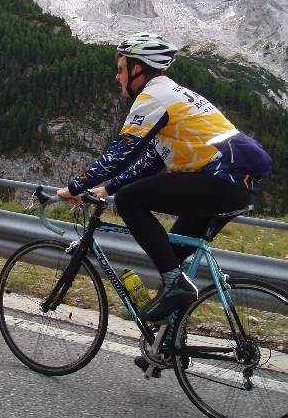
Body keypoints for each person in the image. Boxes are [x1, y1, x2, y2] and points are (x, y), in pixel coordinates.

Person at [57, 32, 272, 324]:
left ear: (137, 69)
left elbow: (122, 152)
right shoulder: (173, 96)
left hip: (222, 178)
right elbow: (151, 162)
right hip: (236, 183)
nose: (116, 76)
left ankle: (175, 286)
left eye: (121, 69)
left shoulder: (153, 96)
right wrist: (105, 188)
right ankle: (168, 341)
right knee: (170, 256)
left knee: (131, 200)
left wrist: (72, 187)